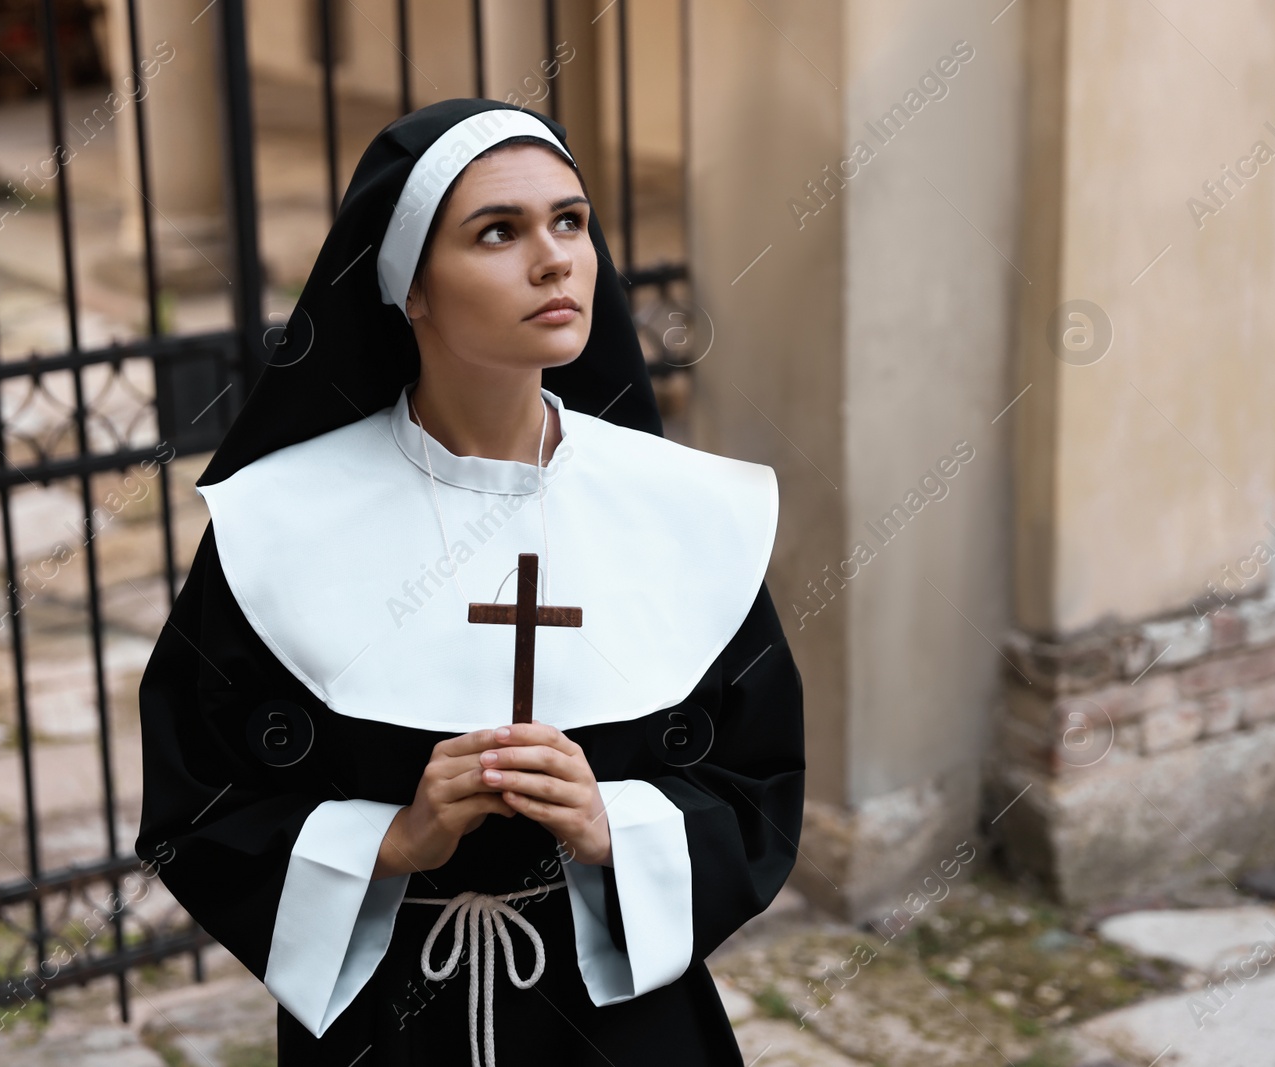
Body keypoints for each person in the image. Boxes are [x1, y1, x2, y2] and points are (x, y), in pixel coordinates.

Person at [134, 98, 804, 1066]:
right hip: (382, 1028)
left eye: (569, 221)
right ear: (409, 287)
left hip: (620, 1029)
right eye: (499, 231)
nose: (554, 258)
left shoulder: (685, 510)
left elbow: (756, 779)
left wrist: (613, 819)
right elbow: (200, 807)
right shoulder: (281, 521)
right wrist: (391, 840)